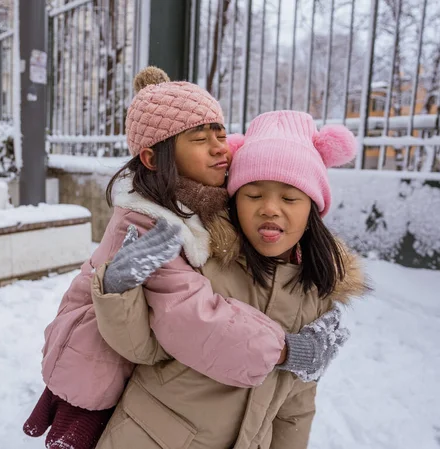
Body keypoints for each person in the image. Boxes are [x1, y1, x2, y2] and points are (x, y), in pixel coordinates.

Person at [23, 68, 350, 449]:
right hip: (111, 373)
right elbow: (186, 320)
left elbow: (294, 407)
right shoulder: (152, 222)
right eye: (200, 138)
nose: (219, 148)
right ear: (153, 158)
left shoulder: (204, 215)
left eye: (222, 135)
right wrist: (289, 350)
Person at [90, 109, 368, 449]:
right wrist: (120, 291)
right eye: (253, 195)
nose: (269, 208)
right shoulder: (204, 256)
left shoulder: (317, 289)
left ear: (313, 207)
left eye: (290, 197)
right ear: (235, 201)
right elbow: (142, 348)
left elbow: (294, 408)